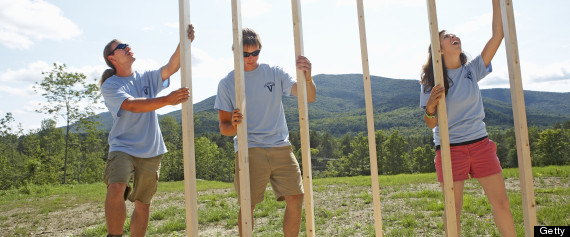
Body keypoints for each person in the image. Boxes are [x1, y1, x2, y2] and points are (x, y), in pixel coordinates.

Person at [419, 1, 515, 236]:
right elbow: (431, 123)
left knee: (501, 203)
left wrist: (496, 3)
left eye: (453, 34)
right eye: (445, 36)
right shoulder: (431, 80)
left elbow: (497, 36)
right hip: (450, 150)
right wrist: (430, 106)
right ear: (439, 50)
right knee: (454, 209)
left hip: (481, 145)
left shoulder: (471, 70)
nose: (453, 36)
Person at [214, 28, 316, 237]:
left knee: (296, 197)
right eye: (245, 54)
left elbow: (309, 97)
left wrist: (308, 78)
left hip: (280, 146)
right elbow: (224, 128)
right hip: (249, 148)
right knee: (247, 204)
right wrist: (234, 125)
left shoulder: (274, 72)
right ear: (236, 53)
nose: (251, 58)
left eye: (255, 53)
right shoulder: (227, 83)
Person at [99, 24, 194, 237]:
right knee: (116, 188)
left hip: (151, 149)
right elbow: (132, 105)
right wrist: (167, 100)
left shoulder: (146, 78)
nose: (127, 47)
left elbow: (172, 66)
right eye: (121, 47)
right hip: (123, 146)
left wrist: (184, 42)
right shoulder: (111, 85)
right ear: (112, 58)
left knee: (143, 203)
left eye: (127, 44)